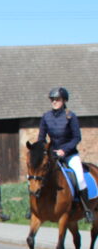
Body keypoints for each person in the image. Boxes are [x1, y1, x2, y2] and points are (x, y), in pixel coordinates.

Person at [38, 86, 93, 222]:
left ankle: (87, 210)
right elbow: (41, 138)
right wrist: (46, 150)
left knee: (79, 178)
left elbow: (76, 137)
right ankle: (35, 208)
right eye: (52, 99)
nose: (54, 102)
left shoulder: (70, 116)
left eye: (57, 99)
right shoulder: (46, 117)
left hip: (69, 154)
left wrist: (64, 150)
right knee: (37, 176)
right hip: (52, 155)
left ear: (64, 100)